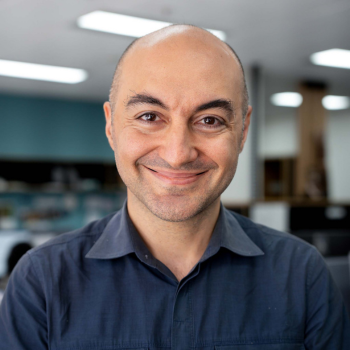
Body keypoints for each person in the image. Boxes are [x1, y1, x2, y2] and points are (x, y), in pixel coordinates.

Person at [0, 24, 349, 350]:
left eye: (209, 120)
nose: (178, 153)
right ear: (111, 127)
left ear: (242, 132)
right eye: (150, 117)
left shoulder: (301, 274)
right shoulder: (42, 281)